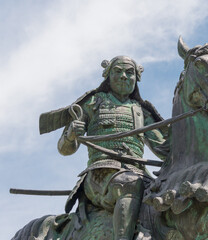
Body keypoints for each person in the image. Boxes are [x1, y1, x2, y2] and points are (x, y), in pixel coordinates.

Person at [55, 56, 168, 240]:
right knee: (129, 183)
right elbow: (64, 149)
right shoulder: (93, 104)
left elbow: (165, 149)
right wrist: (71, 135)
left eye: (129, 72)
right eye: (118, 71)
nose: (124, 76)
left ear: (136, 78)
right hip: (100, 174)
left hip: (138, 173)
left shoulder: (141, 110)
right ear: (108, 76)